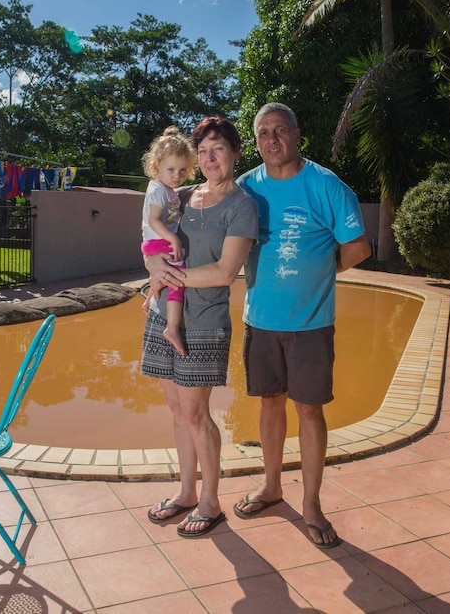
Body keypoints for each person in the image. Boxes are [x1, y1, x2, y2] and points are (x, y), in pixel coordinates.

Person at [233, 102, 371, 549]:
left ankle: (311, 503)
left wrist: (321, 269)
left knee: (309, 410)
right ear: (255, 141)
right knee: (269, 404)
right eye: (263, 133)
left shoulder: (326, 185)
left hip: (311, 325)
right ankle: (272, 486)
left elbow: (357, 247)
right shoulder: (244, 188)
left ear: (296, 134)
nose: (272, 140)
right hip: (260, 321)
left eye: (280, 130)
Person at [142, 117, 258, 537]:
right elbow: (154, 243)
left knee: (196, 413)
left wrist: (168, 275)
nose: (210, 158)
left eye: (219, 149)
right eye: (204, 151)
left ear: (235, 153)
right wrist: (152, 266)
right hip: (163, 315)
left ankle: (211, 500)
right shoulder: (183, 196)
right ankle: (186, 491)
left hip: (204, 323)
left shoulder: (242, 205)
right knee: (176, 410)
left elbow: (226, 272)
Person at [140, 127, 197, 356]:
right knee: (177, 278)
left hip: (157, 242)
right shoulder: (158, 191)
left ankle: (149, 298)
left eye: (182, 170)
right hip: (158, 241)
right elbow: (154, 220)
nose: (177, 175)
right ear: (157, 167)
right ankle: (172, 328)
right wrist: (173, 238)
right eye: (171, 169)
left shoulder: (170, 191)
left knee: (166, 272)